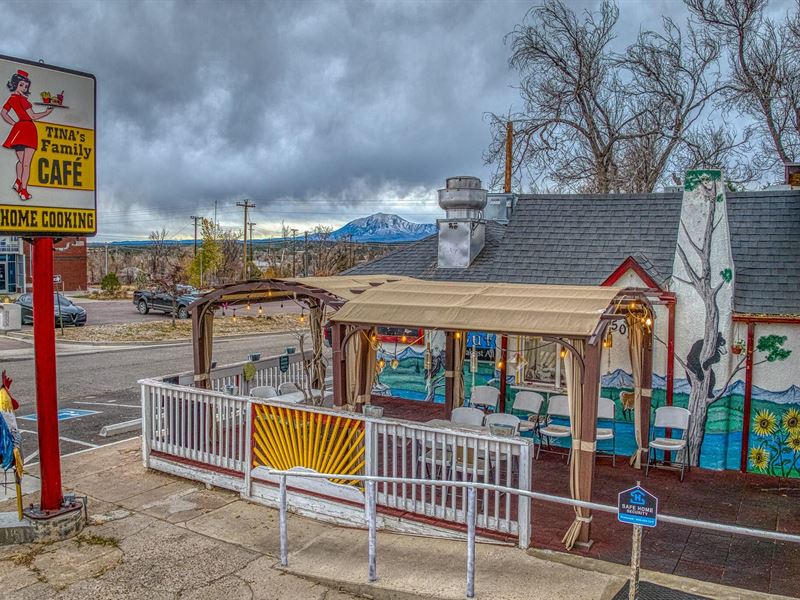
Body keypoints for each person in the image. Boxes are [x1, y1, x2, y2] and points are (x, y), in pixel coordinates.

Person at [1, 70, 53, 201]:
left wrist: (15, 124)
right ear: (15, 84)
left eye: (26, 86)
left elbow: (3, 113)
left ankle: (18, 182)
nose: (24, 88)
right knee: (26, 164)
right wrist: (47, 112)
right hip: (28, 130)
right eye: (21, 85)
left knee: (22, 161)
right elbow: (33, 116)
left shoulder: (11, 98)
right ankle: (23, 191)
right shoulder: (22, 100)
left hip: (19, 130)